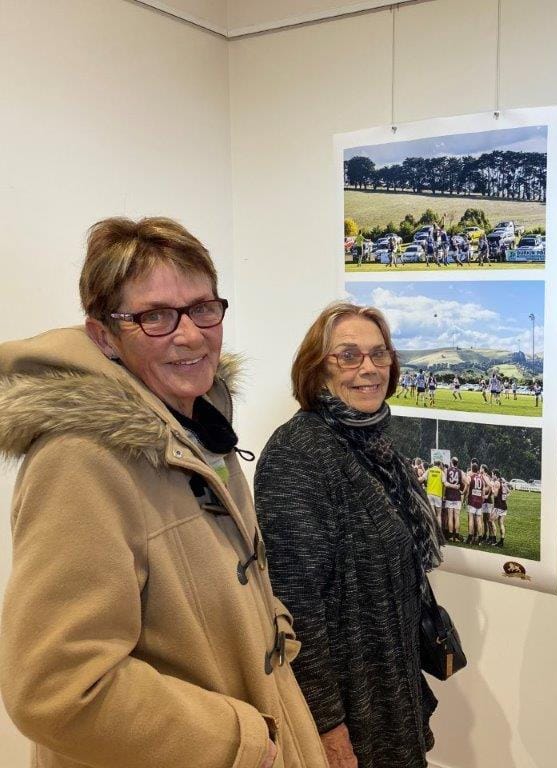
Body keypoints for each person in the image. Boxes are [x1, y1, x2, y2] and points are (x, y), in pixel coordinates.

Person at [0, 217, 327, 768]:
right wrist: (241, 739)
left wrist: (274, 633)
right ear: (104, 335)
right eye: (155, 316)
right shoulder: (81, 460)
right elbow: (56, 689)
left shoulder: (200, 426)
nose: (191, 334)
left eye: (203, 307)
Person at [255, 302, 447, 768]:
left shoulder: (377, 448)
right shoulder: (296, 456)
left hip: (391, 690)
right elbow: (297, 610)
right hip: (352, 712)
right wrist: (327, 729)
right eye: (349, 355)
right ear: (316, 370)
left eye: (379, 355)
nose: (369, 368)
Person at [443, 457, 465, 541]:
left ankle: (451, 535)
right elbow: (467, 482)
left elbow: (445, 483)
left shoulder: (447, 470)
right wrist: (462, 491)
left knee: (450, 516)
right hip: (457, 496)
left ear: (451, 462)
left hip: (449, 496)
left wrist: (444, 494)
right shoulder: (461, 472)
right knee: (457, 517)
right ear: (457, 463)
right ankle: (457, 535)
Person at [465, 461, 486, 545]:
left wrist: (466, 498)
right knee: (478, 520)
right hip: (479, 502)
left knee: (471, 518)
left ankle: (470, 537)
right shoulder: (481, 479)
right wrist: (482, 500)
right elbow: (483, 492)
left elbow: (468, 489)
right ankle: (480, 538)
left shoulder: (471, 477)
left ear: (472, 469)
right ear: (477, 470)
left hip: (472, 501)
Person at [491, 470, 511, 547]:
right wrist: (504, 497)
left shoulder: (497, 482)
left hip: (498, 506)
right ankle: (501, 541)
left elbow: (495, 495)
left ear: (495, 475)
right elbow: (509, 492)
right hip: (504, 506)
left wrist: (492, 487)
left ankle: (494, 539)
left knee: (491, 520)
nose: (492, 476)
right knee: (500, 523)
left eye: (492, 474)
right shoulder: (503, 482)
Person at [425, 458, 445, 529]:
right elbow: (445, 483)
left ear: (433, 464)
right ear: (439, 465)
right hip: (438, 495)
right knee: (439, 515)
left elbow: (422, 478)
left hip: (429, 494)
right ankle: (439, 530)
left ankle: (434, 529)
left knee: (432, 514)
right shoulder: (441, 472)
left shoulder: (429, 470)